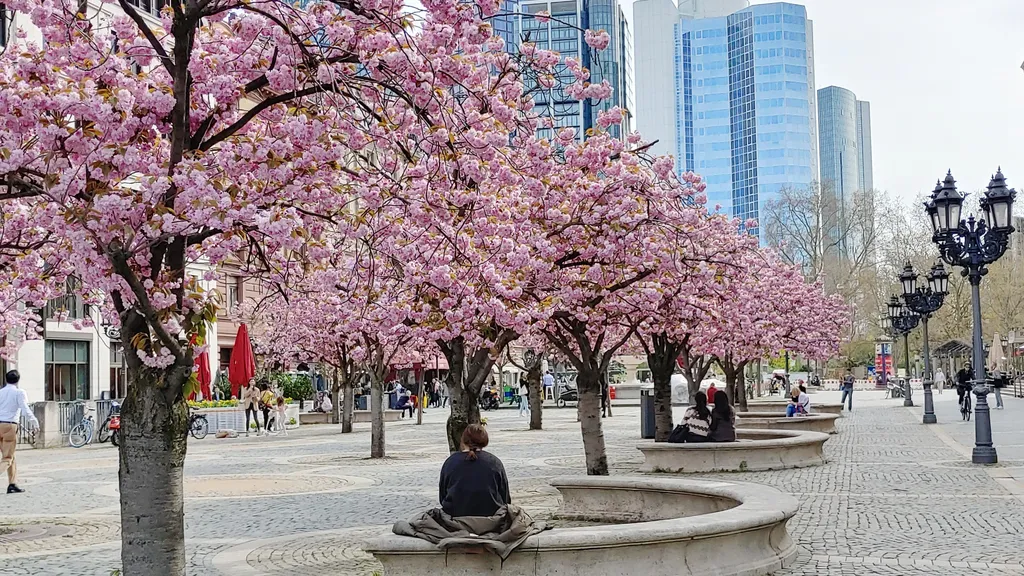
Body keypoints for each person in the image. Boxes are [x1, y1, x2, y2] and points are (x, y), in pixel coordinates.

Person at [438, 424, 510, 517]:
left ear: (463, 440)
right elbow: (505, 496)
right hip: (492, 518)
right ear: (485, 441)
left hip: (455, 517)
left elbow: (442, 496)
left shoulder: (450, 462)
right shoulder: (494, 462)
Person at [0, 370, 39, 494]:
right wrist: (34, 422)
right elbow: (25, 409)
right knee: (7, 458)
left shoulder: (0, 392)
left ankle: (13, 483)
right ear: (18, 380)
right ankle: (12, 483)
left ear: (6, 379)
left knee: (11, 456)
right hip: (10, 425)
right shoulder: (19, 392)